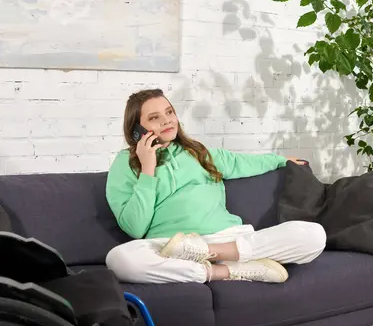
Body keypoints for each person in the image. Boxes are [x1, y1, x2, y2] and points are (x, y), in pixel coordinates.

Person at [105, 89, 326, 284]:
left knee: (315, 235)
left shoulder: (200, 152)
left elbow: (243, 163)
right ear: (136, 129)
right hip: (172, 248)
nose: (167, 120)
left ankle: (209, 254)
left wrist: (282, 160)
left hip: (227, 239)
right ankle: (226, 271)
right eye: (155, 117)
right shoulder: (125, 164)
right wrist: (147, 169)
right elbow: (135, 227)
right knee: (118, 260)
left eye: (170, 112)